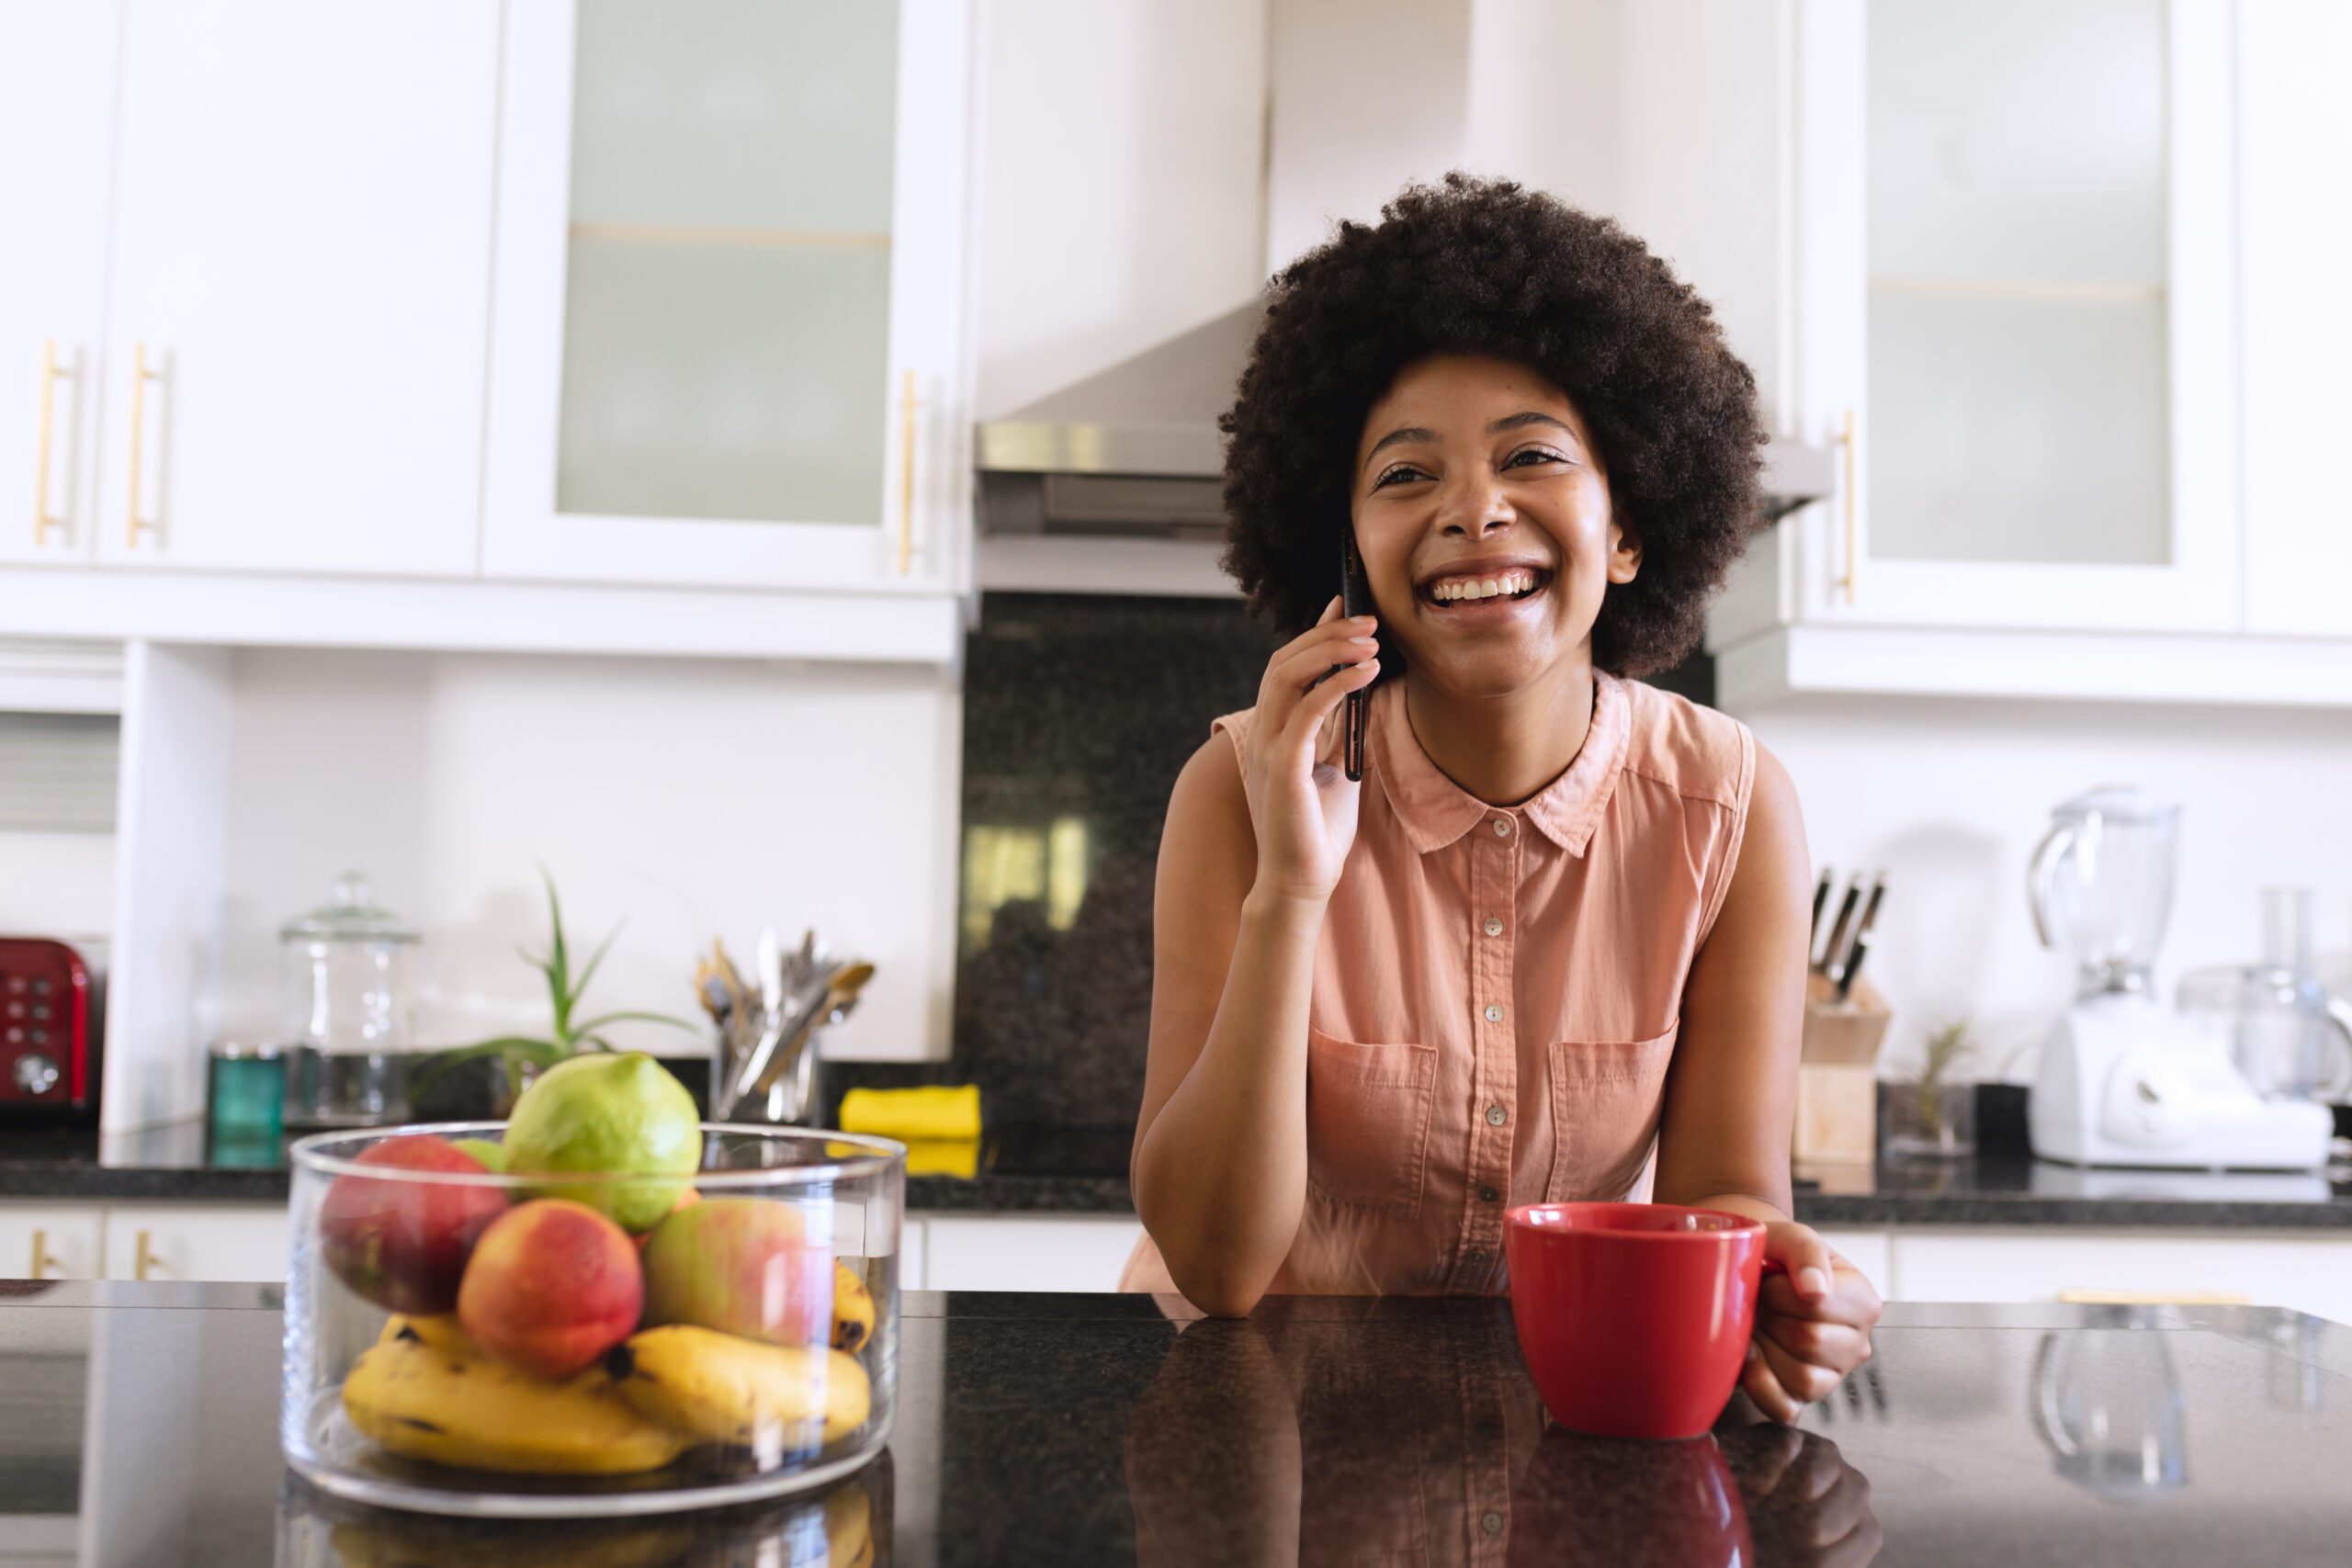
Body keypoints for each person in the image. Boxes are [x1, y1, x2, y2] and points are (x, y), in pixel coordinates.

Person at [1124, 174, 1881, 1421]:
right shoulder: (1240, 788)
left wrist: (1780, 1288)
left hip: (1563, 1412)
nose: (1472, 510)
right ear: (1347, 550)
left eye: (1531, 456)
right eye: (1404, 475)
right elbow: (1213, 1266)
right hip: (1254, 1425)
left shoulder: (1731, 808)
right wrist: (1293, 891)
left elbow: (1728, 1200)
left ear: (1627, 528)